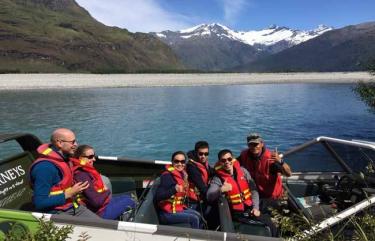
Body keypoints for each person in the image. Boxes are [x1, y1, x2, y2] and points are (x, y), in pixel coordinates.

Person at [29, 128, 99, 218]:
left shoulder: (65, 159)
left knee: (107, 227)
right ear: (60, 143)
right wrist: (68, 194)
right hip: (56, 213)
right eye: (72, 142)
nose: (76, 144)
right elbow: (39, 203)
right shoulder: (45, 168)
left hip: (73, 206)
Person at [207, 149, 278, 237]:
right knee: (267, 225)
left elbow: (254, 191)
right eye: (223, 160)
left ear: (232, 159)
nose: (227, 162)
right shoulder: (218, 179)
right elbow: (209, 196)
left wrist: (256, 208)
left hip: (251, 207)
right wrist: (222, 189)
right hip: (238, 214)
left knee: (275, 206)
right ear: (220, 162)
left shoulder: (243, 171)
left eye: (229, 159)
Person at [72, 145, 136, 220]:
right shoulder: (82, 175)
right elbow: (96, 202)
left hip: (100, 207)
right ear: (80, 158)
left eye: (94, 156)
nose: (94, 159)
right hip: (98, 213)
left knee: (126, 197)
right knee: (130, 201)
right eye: (90, 157)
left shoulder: (84, 171)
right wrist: (106, 191)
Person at [238, 133, 291, 212]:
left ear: (262, 144)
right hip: (256, 194)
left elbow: (288, 173)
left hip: (272, 198)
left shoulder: (271, 159)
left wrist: (280, 161)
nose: (254, 147)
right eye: (251, 144)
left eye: (256, 144)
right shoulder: (244, 155)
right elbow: (232, 164)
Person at [155, 151, 202, 229]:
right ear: (172, 162)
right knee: (194, 219)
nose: (180, 164)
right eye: (177, 161)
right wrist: (174, 189)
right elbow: (158, 196)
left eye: (182, 161)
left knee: (198, 215)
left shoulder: (182, 174)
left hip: (177, 208)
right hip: (166, 213)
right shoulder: (167, 176)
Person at [186, 141, 215, 210]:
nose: (203, 156)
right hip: (194, 202)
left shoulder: (203, 163)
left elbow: (212, 172)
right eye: (201, 154)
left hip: (201, 196)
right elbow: (202, 189)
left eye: (206, 154)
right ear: (196, 153)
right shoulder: (192, 168)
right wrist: (220, 191)